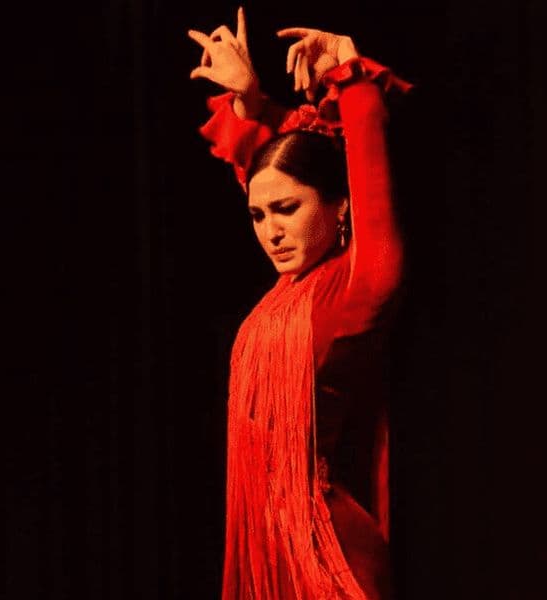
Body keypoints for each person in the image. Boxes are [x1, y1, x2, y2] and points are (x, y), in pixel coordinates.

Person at [188, 8, 411, 600]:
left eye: (286, 212)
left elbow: (361, 170)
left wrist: (350, 75)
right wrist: (250, 104)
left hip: (325, 551)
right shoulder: (285, 294)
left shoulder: (357, 288)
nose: (270, 232)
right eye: (258, 216)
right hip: (260, 553)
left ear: (340, 209)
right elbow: (274, 171)